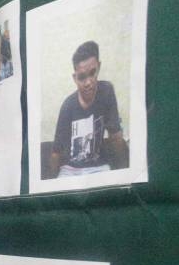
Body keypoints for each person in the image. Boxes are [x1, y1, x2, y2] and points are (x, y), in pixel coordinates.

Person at [49, 40, 129, 178]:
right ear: (75, 78)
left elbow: (115, 137)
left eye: (92, 73)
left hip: (99, 167)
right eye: (82, 77)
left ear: (99, 67)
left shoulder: (106, 92)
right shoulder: (67, 106)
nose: (88, 83)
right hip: (70, 169)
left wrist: (126, 176)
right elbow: (56, 152)